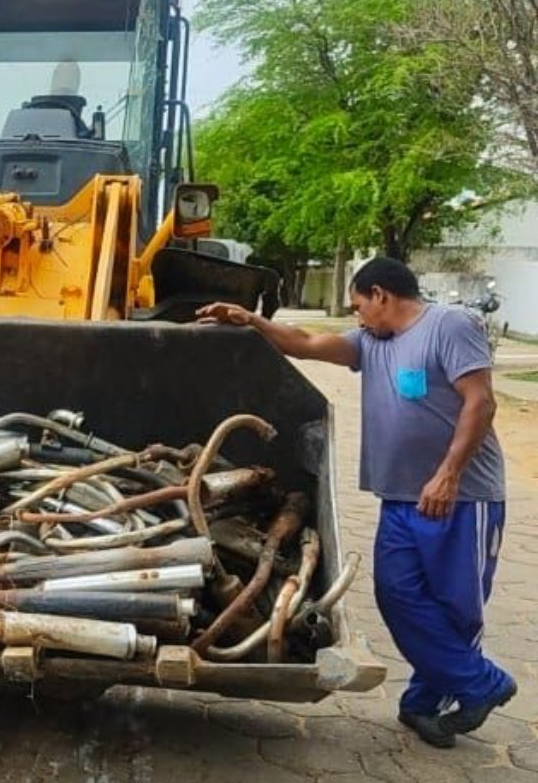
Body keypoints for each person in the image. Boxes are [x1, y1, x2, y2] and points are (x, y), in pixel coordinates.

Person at [198, 257, 515, 748]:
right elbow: (303, 344)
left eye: (358, 305)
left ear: (382, 295)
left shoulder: (448, 326)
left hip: (460, 499)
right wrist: (251, 319)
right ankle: (478, 683)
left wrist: (448, 474)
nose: (357, 316)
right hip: (399, 499)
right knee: (397, 595)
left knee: (455, 608)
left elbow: (481, 401)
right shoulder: (370, 343)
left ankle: (426, 705)